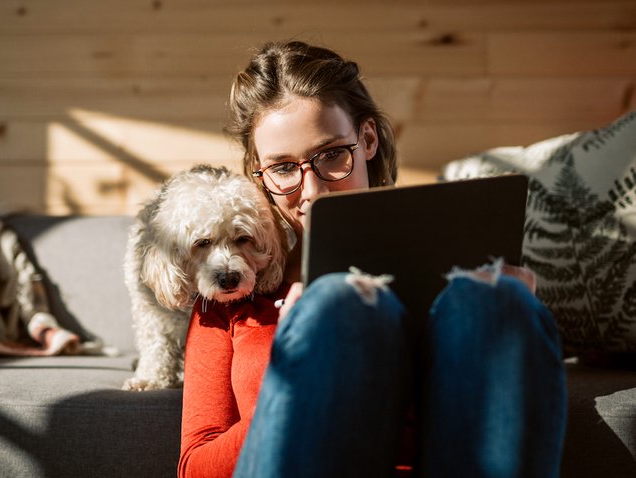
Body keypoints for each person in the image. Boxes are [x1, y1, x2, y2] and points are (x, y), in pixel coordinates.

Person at [178, 40, 567, 478]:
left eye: (330, 156)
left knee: (498, 302)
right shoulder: (230, 299)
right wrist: (296, 373)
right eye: (283, 168)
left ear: (366, 139)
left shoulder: (458, 285)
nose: (313, 191)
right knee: (340, 306)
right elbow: (194, 467)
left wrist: (513, 319)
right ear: (260, 174)